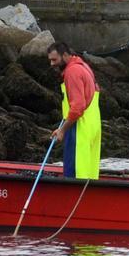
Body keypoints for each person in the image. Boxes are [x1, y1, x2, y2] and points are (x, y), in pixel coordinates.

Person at [47, 42, 101, 180]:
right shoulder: (84, 66)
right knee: (88, 173)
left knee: (75, 174)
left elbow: (77, 108)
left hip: (80, 128)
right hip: (93, 126)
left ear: (65, 55)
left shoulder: (72, 72)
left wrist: (63, 130)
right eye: (50, 60)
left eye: (54, 59)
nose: (52, 64)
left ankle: (72, 200)